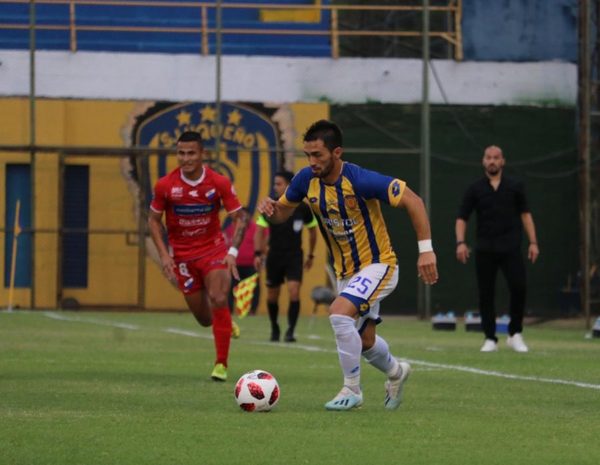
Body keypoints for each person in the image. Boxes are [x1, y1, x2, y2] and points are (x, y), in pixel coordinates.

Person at [257, 120, 438, 411]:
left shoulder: (361, 180)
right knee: (365, 342)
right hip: (347, 273)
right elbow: (281, 214)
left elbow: (413, 200)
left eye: (318, 155)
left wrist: (426, 251)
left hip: (379, 265)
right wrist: (270, 211)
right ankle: (397, 372)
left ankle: (351, 389)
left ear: (337, 152)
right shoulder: (305, 180)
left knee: (338, 313)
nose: (312, 162)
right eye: (308, 155)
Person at [148, 130, 248, 382]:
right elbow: (152, 220)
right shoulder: (165, 186)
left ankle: (221, 365)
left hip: (213, 250)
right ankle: (225, 323)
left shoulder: (219, 183)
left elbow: (239, 217)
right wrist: (165, 255)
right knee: (205, 319)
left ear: (202, 154)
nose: (186, 158)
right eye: (181, 153)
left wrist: (232, 252)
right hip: (183, 257)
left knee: (217, 296)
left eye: (191, 152)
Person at [455, 145, 539, 353]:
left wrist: (533, 242)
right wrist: (460, 242)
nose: (492, 161)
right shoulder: (475, 189)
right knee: (486, 293)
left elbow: (526, 215)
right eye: (488, 157)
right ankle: (490, 337)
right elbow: (462, 218)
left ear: (503, 161)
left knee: (518, 287)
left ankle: (515, 334)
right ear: (483, 161)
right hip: (485, 248)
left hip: (511, 247)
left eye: (496, 158)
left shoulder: (515, 186)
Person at [254, 171, 318, 342]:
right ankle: (275, 327)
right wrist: (258, 253)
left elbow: (313, 229)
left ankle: (290, 331)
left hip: (294, 256)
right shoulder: (271, 206)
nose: (276, 187)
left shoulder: (303, 208)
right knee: (272, 296)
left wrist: (311, 254)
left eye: (279, 184)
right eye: (275, 184)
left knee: (294, 292)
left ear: (289, 186)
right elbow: (259, 230)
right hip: (274, 255)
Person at [224, 207, 260, 316]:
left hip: (251, 264)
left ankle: (252, 311)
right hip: (235, 264)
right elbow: (226, 244)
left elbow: (262, 243)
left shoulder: (256, 228)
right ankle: (229, 310)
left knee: (253, 288)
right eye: (241, 216)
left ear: (250, 216)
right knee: (230, 287)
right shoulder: (231, 228)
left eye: (245, 215)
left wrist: (260, 257)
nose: (243, 218)